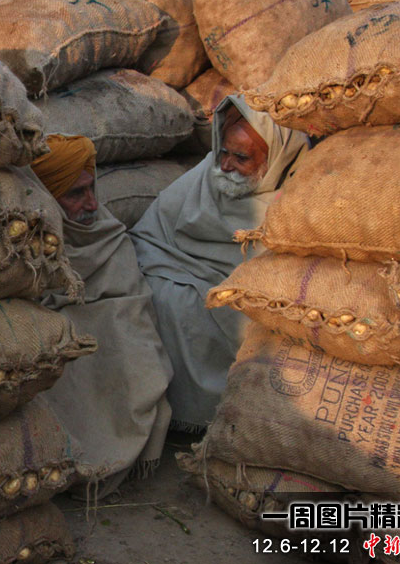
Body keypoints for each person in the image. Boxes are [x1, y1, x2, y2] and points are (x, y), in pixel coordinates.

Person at [128, 95, 311, 432]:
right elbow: (149, 235)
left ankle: (220, 420)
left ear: (275, 159)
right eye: (223, 152)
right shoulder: (206, 174)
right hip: (176, 270)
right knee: (148, 299)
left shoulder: (295, 200)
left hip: (242, 293)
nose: (225, 165)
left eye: (241, 158)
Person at [28, 134, 174, 496]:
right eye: (76, 194)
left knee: (136, 349)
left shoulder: (108, 234)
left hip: (115, 329)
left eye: (92, 188)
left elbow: (133, 301)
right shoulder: (22, 251)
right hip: (57, 331)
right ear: (46, 197)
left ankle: (121, 454)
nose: (92, 204)